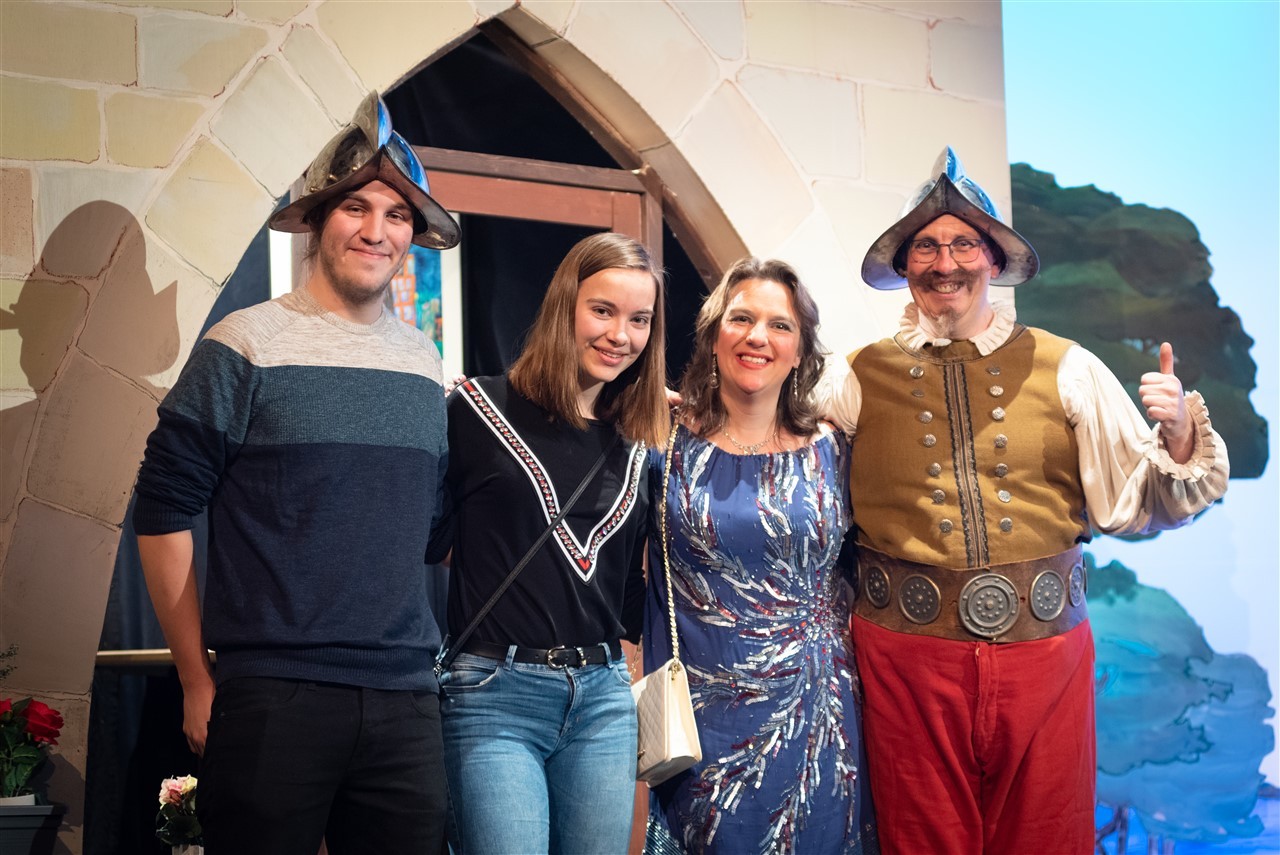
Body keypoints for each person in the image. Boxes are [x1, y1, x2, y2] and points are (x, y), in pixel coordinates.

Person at [829, 147, 1230, 854]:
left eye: (963, 243)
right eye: (926, 246)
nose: (945, 262)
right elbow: (780, 455)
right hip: (904, 659)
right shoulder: (854, 375)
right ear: (905, 265)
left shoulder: (1067, 366)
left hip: (1045, 655)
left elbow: (1142, 504)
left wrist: (1178, 434)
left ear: (992, 259)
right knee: (919, 837)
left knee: (1047, 834)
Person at [133, 92, 459, 855]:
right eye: (356, 207)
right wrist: (196, 678)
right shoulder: (245, 343)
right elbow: (162, 509)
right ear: (316, 218)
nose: (377, 230)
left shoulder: (423, 362)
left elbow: (427, 531)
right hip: (273, 695)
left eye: (397, 214)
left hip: (405, 699)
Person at [428, 232, 668, 854]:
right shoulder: (475, 408)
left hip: (603, 700)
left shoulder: (641, 444)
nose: (620, 335)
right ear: (566, 305)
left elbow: (629, 584)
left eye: (639, 319)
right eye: (603, 310)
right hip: (492, 695)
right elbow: (432, 538)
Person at [644, 258, 878, 855]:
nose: (758, 337)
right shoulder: (660, 442)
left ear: (799, 351)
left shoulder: (837, 449)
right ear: (713, 336)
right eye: (741, 319)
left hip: (821, 713)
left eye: (780, 325)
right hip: (701, 724)